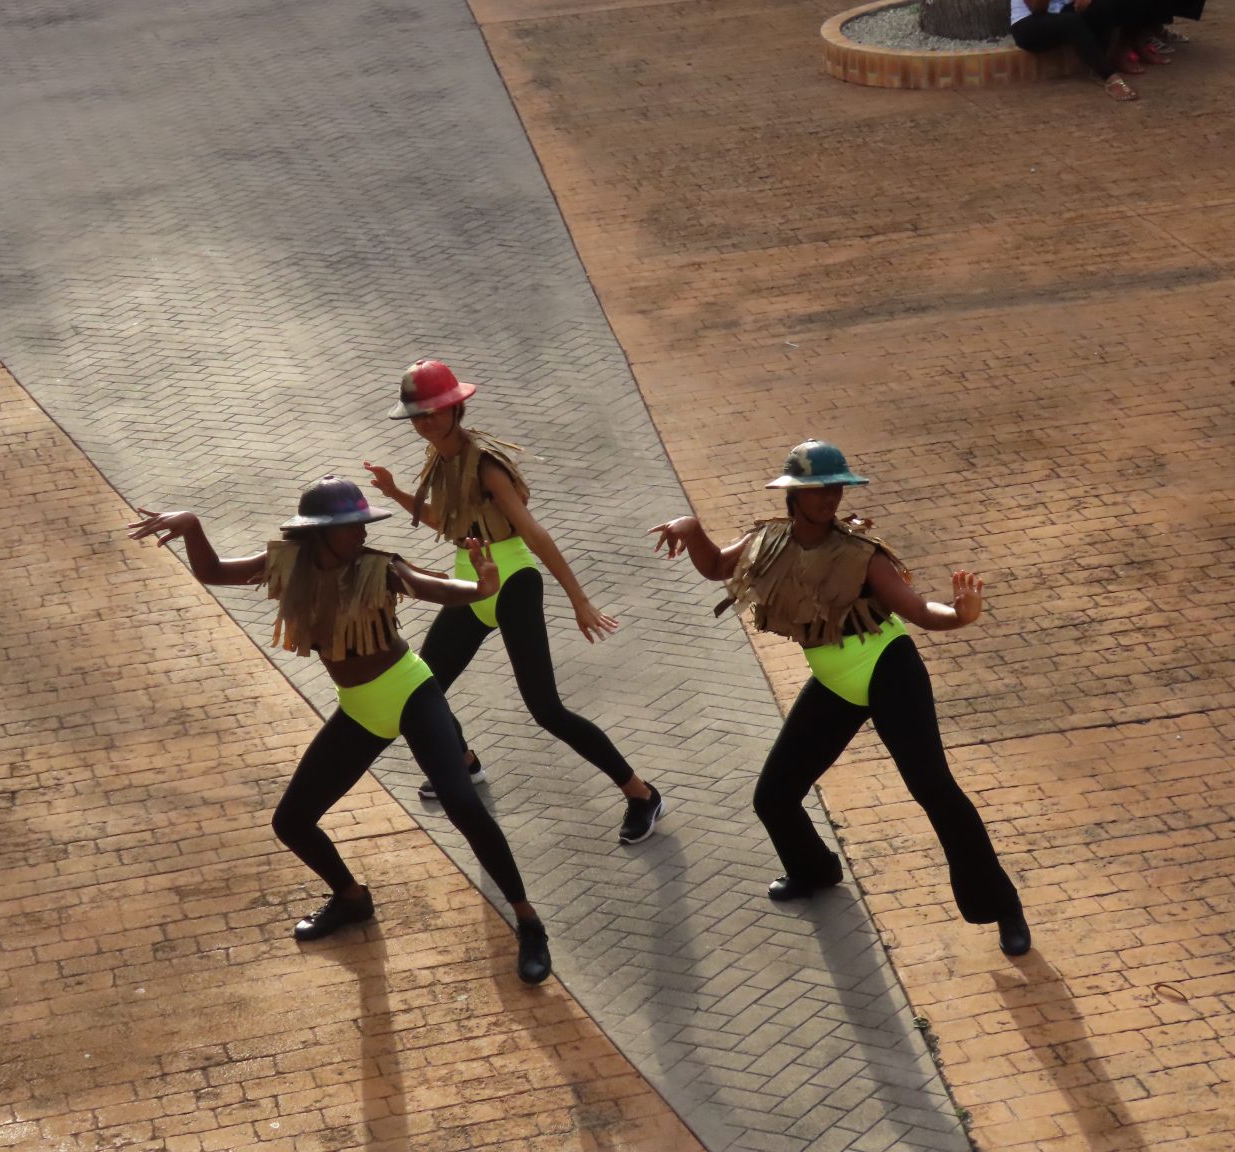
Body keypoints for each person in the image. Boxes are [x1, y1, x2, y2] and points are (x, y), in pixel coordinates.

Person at [129, 476, 552, 983]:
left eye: (363, 523)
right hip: (359, 709)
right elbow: (213, 571)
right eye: (350, 525)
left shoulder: (378, 567)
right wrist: (192, 525)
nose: (361, 532)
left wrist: (481, 588)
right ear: (319, 531)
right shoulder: (287, 563)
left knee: (462, 803)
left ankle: (529, 922)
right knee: (292, 821)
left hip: (411, 694)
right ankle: (352, 899)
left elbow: (435, 588)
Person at [650, 442, 1031, 956]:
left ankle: (1003, 907)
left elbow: (920, 611)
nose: (830, 497)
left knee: (934, 790)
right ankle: (814, 870)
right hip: (834, 684)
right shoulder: (768, 540)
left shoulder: (862, 555)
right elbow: (717, 566)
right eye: (818, 488)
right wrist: (692, 528)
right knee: (774, 795)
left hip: (889, 671)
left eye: (837, 487)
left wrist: (960, 616)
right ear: (793, 493)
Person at [363, 360, 666, 845]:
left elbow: (533, 532)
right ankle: (464, 764)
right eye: (417, 415)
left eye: (433, 412)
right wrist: (395, 490)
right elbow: (449, 523)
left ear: (456, 408)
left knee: (546, 709)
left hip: (513, 581)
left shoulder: (485, 464)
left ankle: (641, 794)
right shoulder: (441, 458)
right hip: (471, 580)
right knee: (421, 688)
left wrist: (579, 600)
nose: (425, 423)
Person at [1010, 0, 1175, 101]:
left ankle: (1115, 53)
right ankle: (1109, 77)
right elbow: (1038, 9)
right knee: (1072, 22)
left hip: (1062, 13)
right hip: (1028, 24)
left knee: (1104, 5)